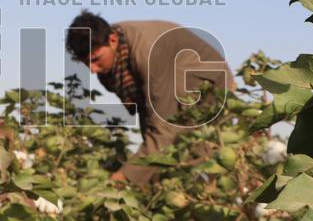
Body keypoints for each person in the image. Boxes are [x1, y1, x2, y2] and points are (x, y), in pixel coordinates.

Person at [66, 10, 237, 185]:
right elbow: (147, 114)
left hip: (208, 86)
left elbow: (164, 125)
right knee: (157, 163)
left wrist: (125, 176)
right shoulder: (111, 61)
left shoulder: (148, 52)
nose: (92, 70)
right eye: (87, 63)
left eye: (96, 60)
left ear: (112, 40)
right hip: (170, 82)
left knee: (197, 159)